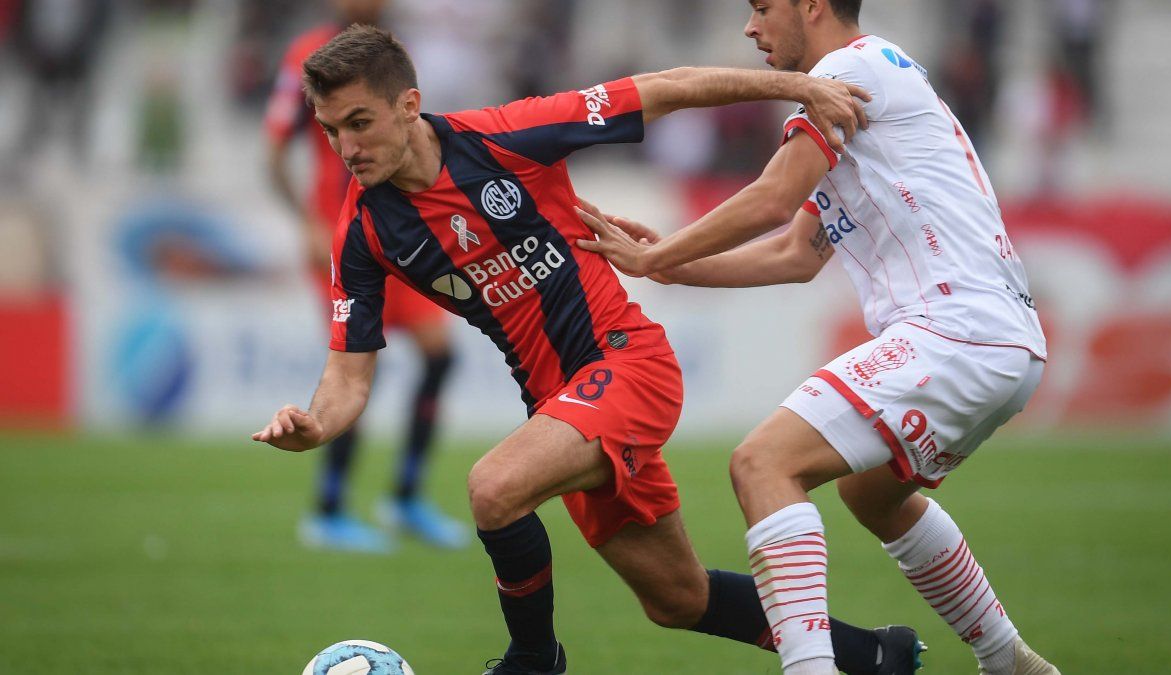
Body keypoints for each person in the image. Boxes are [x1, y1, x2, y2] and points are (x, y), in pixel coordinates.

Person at [252, 24, 925, 675]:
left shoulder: (505, 137)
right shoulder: (364, 231)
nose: (346, 147)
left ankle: (535, 660)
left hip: (628, 363)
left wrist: (797, 88)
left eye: (360, 123)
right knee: (677, 598)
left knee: (494, 488)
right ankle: (877, 655)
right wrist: (316, 423)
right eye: (331, 130)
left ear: (409, 106)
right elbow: (348, 372)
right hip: (562, 406)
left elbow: (666, 86)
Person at [575, 1, 1060, 674]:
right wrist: (675, 263)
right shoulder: (870, 82)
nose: (751, 27)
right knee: (870, 491)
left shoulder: (847, 70)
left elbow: (776, 195)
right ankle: (1009, 659)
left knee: (763, 462)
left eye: (763, 7)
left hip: (957, 329)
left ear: (811, 5)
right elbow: (796, 253)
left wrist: (662, 256)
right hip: (999, 340)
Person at [264, 0, 465, 552]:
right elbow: (274, 144)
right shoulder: (308, 55)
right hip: (342, 233)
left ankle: (404, 497)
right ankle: (328, 510)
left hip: (398, 229)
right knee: (358, 365)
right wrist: (307, 221)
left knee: (440, 355)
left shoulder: (390, 56)